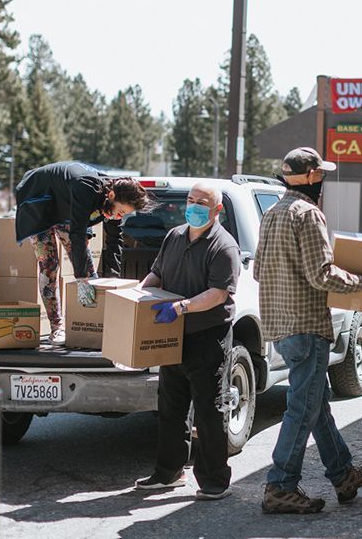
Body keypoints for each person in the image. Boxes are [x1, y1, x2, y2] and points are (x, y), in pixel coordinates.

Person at [254, 146, 362, 514]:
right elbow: (322, 274)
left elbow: (258, 272)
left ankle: (343, 473)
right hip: (307, 328)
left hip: (281, 328)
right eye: (323, 174)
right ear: (314, 177)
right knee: (303, 408)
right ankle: (280, 485)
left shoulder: (271, 213)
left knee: (316, 405)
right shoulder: (308, 214)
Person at [134, 181, 240, 501]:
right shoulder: (175, 236)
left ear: (216, 210)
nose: (193, 206)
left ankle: (214, 479)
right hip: (173, 336)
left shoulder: (224, 246)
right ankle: (168, 472)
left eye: (201, 202)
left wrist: (181, 307)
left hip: (208, 336)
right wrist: (139, 295)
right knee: (170, 406)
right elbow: (157, 275)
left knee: (209, 410)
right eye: (191, 200)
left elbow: (217, 294)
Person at [15, 161, 151, 345]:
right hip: (39, 200)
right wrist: (81, 279)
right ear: (111, 195)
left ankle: (94, 323)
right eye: (119, 212)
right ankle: (57, 328)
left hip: (65, 205)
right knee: (50, 266)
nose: (119, 217)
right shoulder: (86, 187)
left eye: (124, 215)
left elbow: (114, 240)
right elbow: (77, 234)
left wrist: (111, 282)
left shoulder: (114, 198)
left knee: (86, 268)